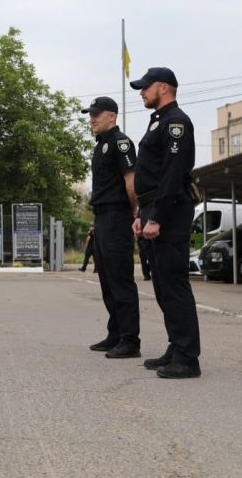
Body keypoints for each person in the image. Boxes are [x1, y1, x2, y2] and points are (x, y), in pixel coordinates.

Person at [130, 67, 200, 379]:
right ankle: (176, 346)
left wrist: (156, 216)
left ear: (164, 87)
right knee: (161, 284)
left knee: (173, 283)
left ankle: (187, 358)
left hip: (169, 210)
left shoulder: (176, 122)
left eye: (146, 87)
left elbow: (172, 175)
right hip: (153, 208)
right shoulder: (158, 120)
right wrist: (140, 215)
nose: (142, 92)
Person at [82, 96, 140, 359]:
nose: (92, 118)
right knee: (106, 279)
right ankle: (115, 333)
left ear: (112, 116)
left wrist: (132, 213)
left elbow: (131, 183)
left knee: (120, 280)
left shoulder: (121, 143)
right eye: (90, 114)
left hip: (118, 216)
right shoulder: (100, 145)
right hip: (103, 217)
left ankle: (130, 340)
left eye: (96, 114)